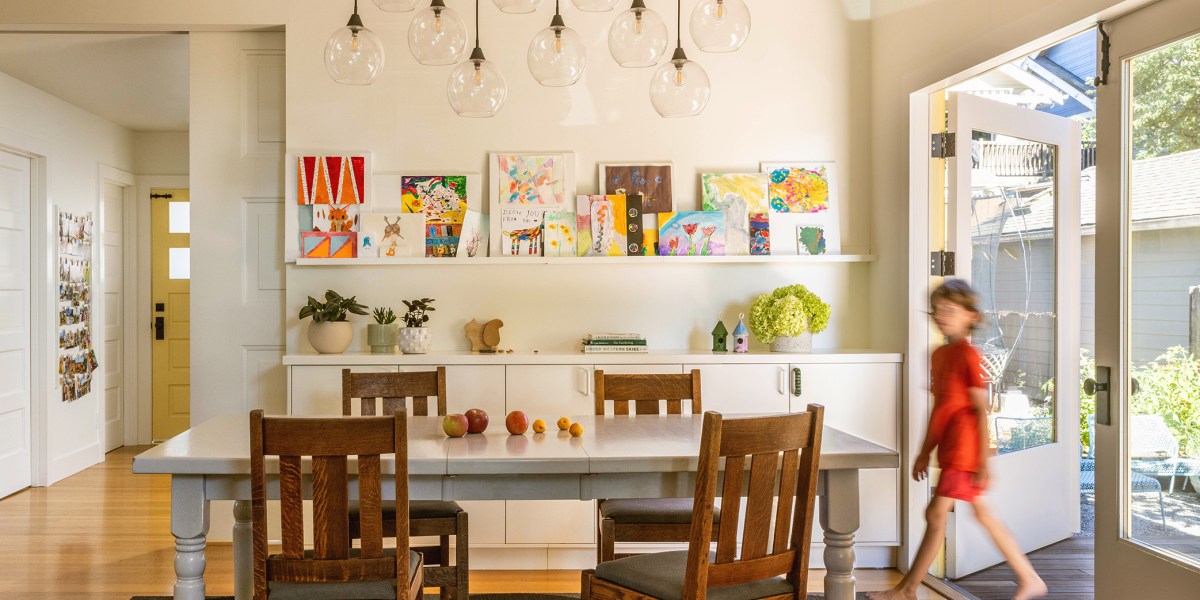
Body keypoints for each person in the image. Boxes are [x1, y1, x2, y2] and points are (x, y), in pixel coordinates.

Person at [869, 279, 1046, 600]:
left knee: (936, 515)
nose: (941, 315)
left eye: (950, 310)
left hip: (966, 452)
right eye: (936, 310)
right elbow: (940, 409)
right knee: (980, 514)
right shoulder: (939, 355)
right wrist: (924, 452)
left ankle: (907, 590)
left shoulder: (967, 357)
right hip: (950, 450)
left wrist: (982, 461)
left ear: (971, 316)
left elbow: (980, 411)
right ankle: (1029, 578)